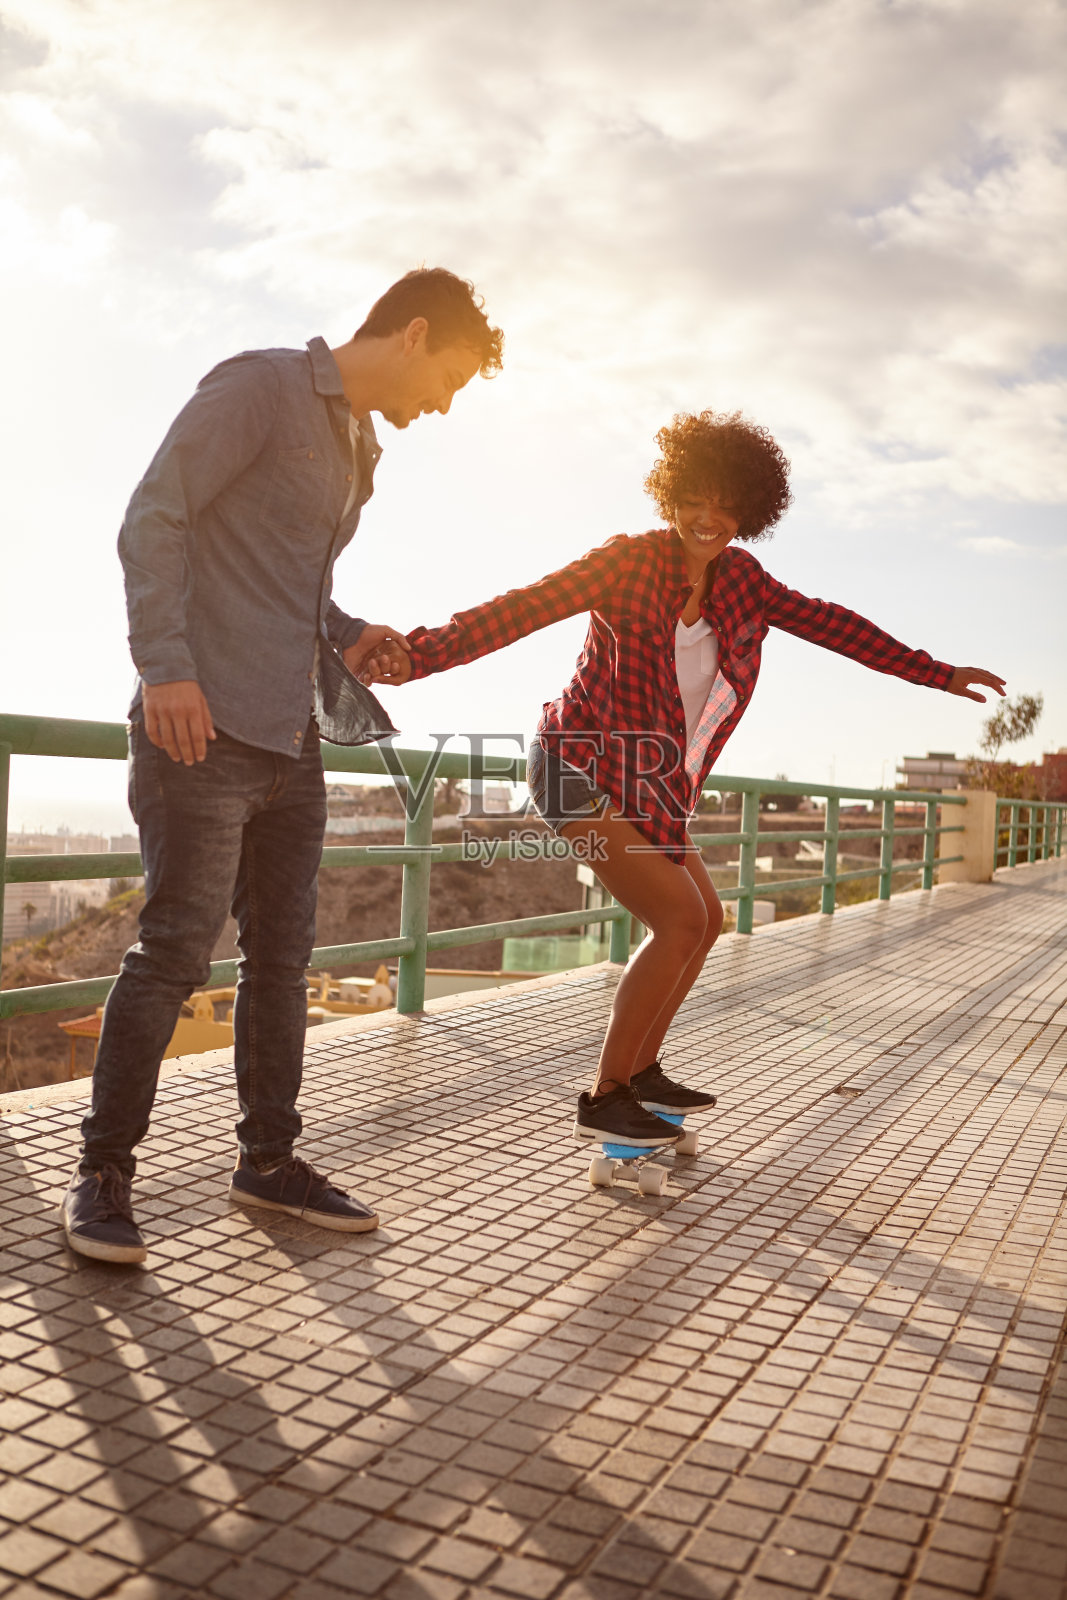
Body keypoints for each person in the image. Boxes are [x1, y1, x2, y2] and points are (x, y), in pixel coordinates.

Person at [362, 410, 1005, 1148]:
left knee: (707, 920)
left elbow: (833, 624)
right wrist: (417, 655)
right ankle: (604, 1095)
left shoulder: (742, 582)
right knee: (676, 920)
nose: (707, 517)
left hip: (650, 786)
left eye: (723, 503)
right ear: (669, 497)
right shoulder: (626, 562)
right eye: (692, 499)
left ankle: (640, 1073)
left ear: (746, 510)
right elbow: (517, 611)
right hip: (576, 766)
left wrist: (936, 673)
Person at [62, 268, 504, 1265]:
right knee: (176, 950)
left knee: (282, 962)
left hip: (292, 738)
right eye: (448, 380)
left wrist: (350, 631)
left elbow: (290, 588)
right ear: (415, 332)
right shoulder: (256, 387)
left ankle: (268, 1159)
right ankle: (102, 1173)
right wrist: (165, 669)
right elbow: (154, 517)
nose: (441, 405)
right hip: (200, 728)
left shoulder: (358, 447)